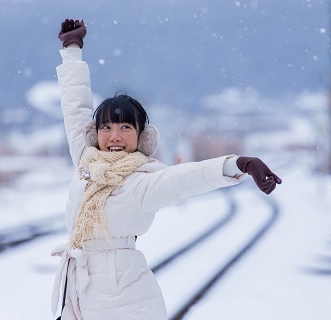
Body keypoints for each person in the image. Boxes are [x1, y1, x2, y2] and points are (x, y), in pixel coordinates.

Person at [51, 18, 282, 320]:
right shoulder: (87, 161)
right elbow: (75, 107)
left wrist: (237, 164)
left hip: (125, 304)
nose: (115, 135)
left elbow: (187, 178)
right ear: (96, 133)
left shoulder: (142, 180)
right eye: (106, 126)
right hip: (77, 297)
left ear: (141, 136)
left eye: (125, 127)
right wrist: (72, 50)